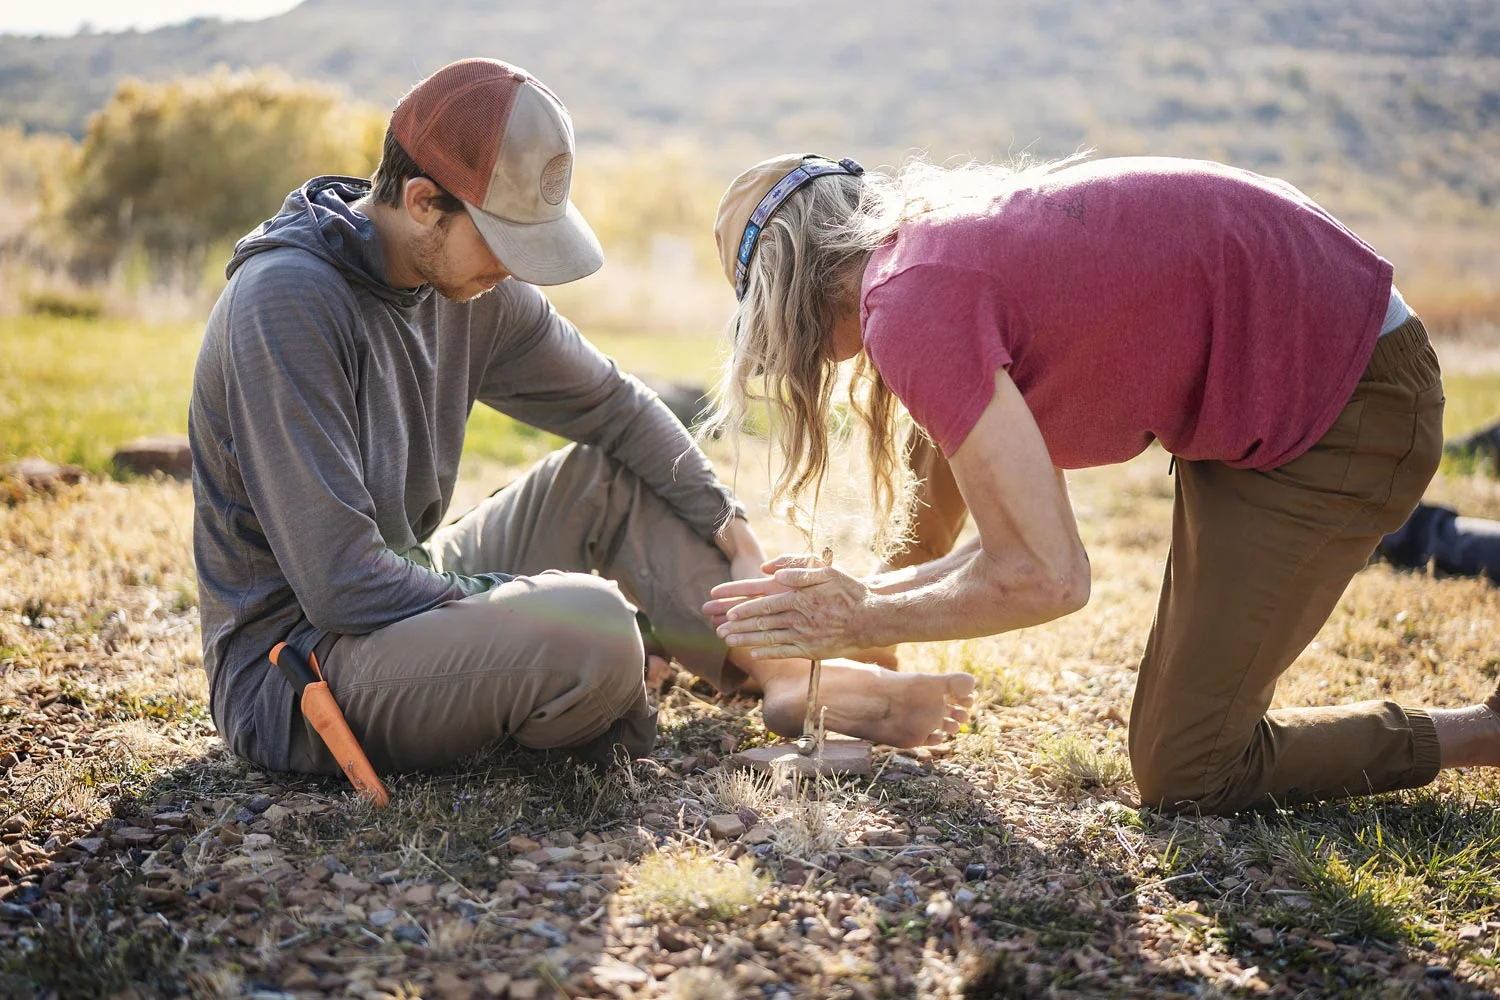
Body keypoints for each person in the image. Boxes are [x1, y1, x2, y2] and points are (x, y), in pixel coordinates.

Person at [189, 60, 975, 780]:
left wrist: (735, 537)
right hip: (301, 667)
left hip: (409, 585)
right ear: (424, 201)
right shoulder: (286, 302)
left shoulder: (468, 290)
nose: (514, 269)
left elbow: (618, 407)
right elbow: (343, 585)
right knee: (592, 624)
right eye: (502, 242)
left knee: (615, 476)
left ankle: (783, 680)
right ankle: (634, 693)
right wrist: (529, 596)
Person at [703, 152, 1500, 815]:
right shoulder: (929, 253)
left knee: (1188, 769)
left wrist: (861, 609)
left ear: (786, 289)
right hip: (1277, 375)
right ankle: (876, 663)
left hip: (1344, 403)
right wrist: (865, 606)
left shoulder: (910, 302)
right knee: (933, 439)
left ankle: (1483, 733)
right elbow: (1020, 547)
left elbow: (1047, 576)